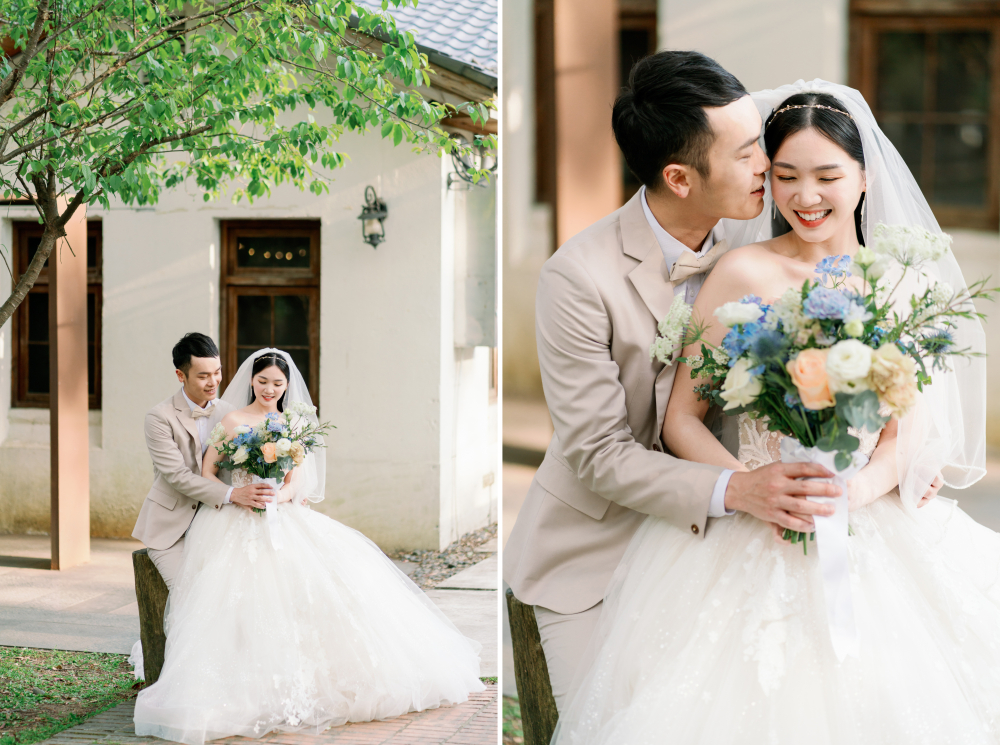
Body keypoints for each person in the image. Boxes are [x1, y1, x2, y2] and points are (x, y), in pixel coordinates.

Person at [552, 80, 1000, 744]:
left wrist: (860, 488)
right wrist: (752, 489)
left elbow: (914, 426)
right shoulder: (740, 271)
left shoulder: (907, 283)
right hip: (749, 519)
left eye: (827, 175)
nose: (805, 195)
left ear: (864, 174)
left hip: (870, 519)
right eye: (785, 175)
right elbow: (682, 417)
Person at [503, 51, 853, 711]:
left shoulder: (761, 237)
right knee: (611, 720)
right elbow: (600, 453)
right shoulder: (576, 278)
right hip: (596, 553)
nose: (767, 165)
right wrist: (740, 488)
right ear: (679, 176)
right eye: (749, 152)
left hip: (736, 536)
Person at [132, 348, 483, 745]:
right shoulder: (229, 418)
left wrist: (280, 497)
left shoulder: (291, 424)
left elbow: (299, 478)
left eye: (277, 383)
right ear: (250, 380)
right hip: (230, 515)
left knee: (323, 585)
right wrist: (239, 493)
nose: (269, 388)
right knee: (223, 596)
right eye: (262, 381)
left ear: (286, 386)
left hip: (280, 515)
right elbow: (205, 471)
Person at [131, 333, 276, 590]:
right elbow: (177, 476)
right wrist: (234, 494)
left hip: (220, 524)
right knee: (190, 597)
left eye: (217, 372)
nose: (214, 382)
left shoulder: (230, 413)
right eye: (203, 376)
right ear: (180, 375)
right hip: (171, 530)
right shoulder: (158, 417)